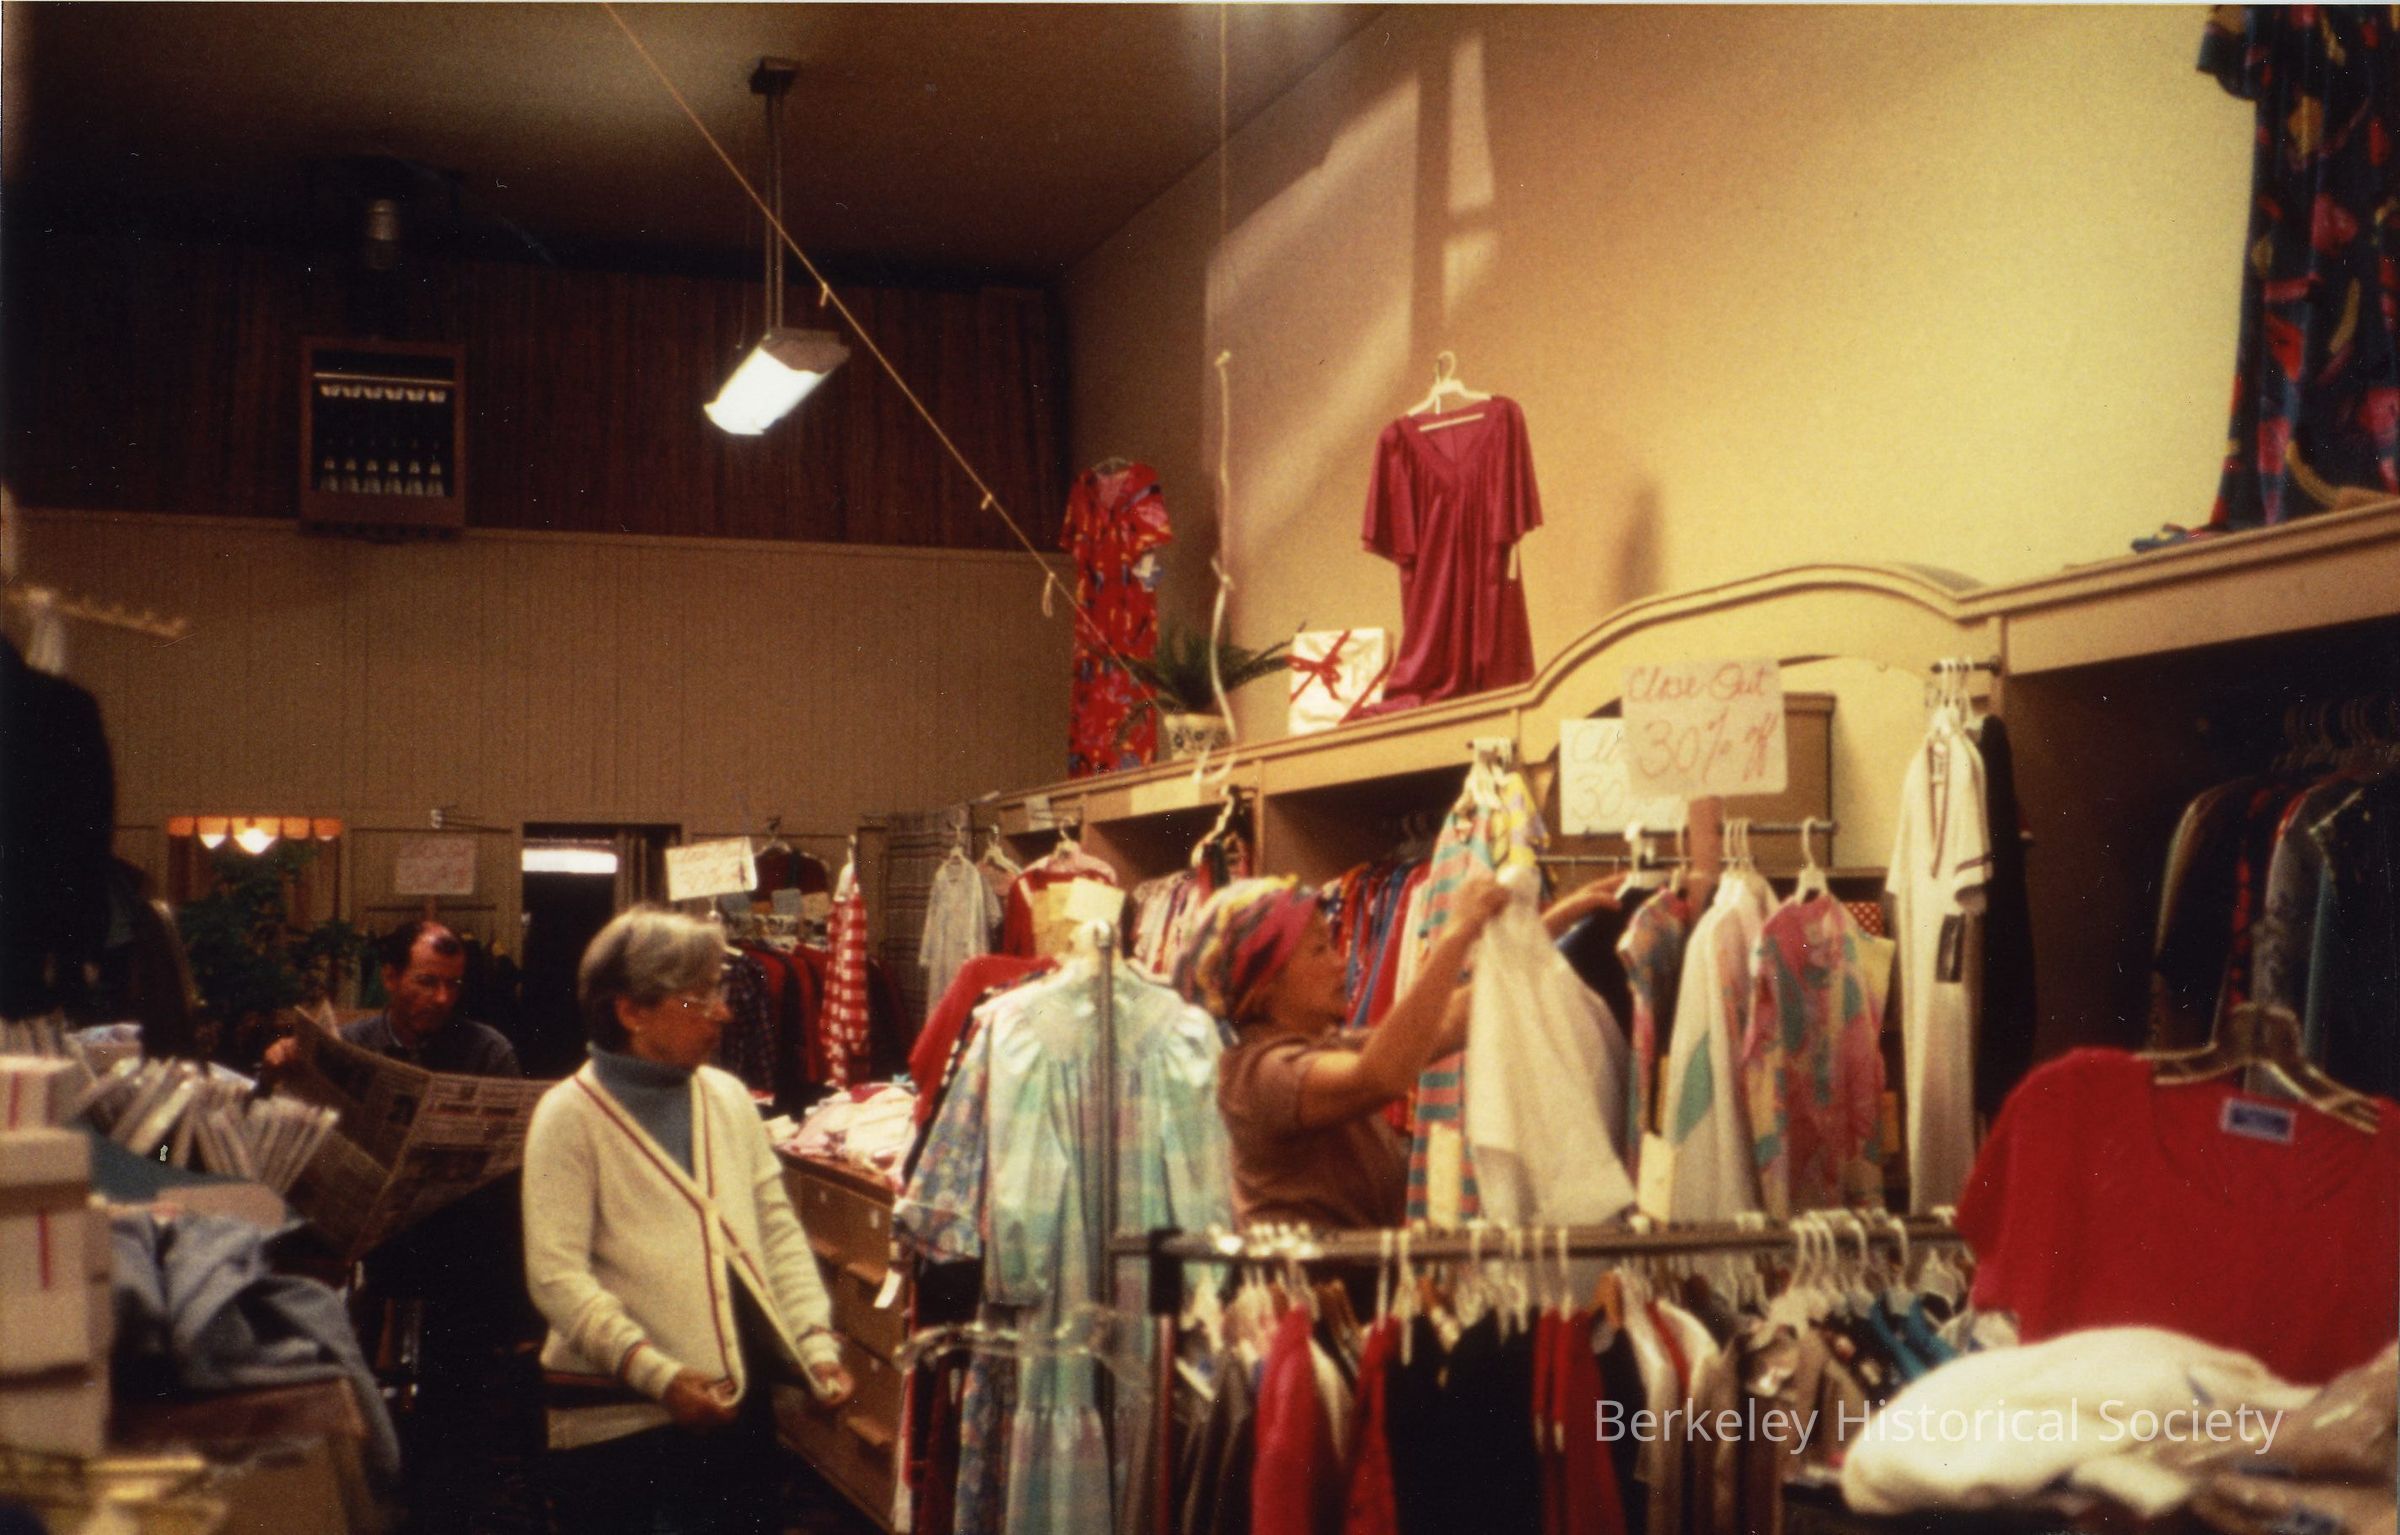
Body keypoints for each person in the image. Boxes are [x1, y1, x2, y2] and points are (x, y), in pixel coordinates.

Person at [522, 905, 854, 1535]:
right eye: (698, 999)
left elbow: (776, 1233)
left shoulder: (726, 1098)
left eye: (717, 993)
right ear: (632, 1011)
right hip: (617, 1427)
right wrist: (658, 1375)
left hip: (733, 1417)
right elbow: (556, 1278)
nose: (723, 1013)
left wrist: (813, 1344)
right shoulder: (568, 1116)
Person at [1177, 872, 1625, 1231]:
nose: (1339, 963)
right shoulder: (1259, 1074)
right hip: (1303, 1303)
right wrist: (1456, 935)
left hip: (1347, 1294)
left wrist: (1551, 927)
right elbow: (1381, 1075)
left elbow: (1452, 1019)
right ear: (1264, 985)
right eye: (1318, 950)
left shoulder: (1322, 1046)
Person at [263, 919, 520, 1075]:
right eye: (427, 982)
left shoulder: (489, 1051)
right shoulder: (349, 1045)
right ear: (390, 978)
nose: (442, 998)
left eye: (453, 984)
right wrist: (275, 1071)